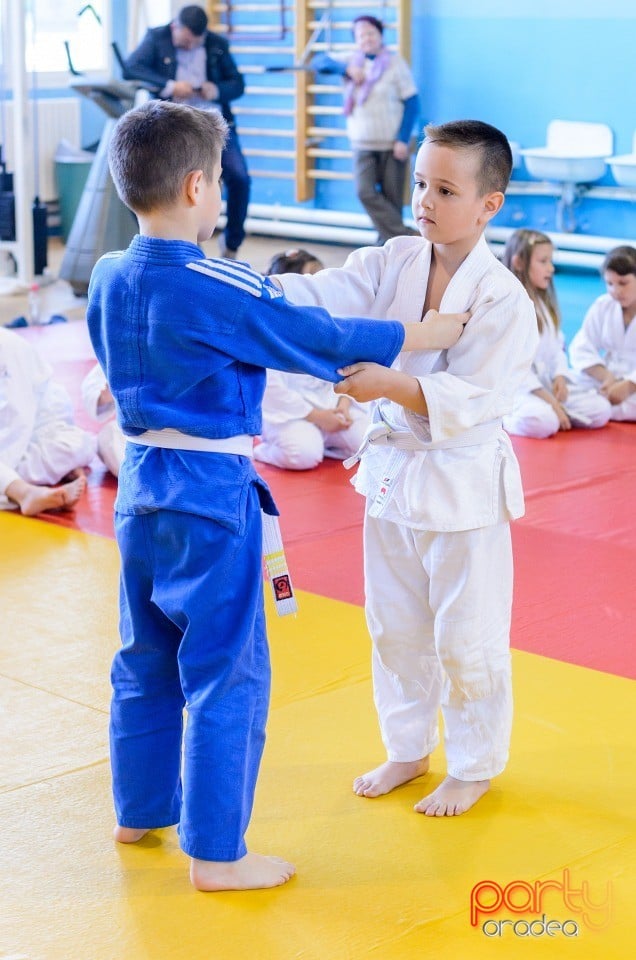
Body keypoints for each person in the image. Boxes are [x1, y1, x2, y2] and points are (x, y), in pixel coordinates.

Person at [86, 99, 469, 892]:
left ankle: (139, 808)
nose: (223, 197)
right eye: (219, 184)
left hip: (140, 488)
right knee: (227, 668)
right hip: (208, 493)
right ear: (197, 186)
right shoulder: (212, 278)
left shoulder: (109, 272)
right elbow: (314, 337)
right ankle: (219, 854)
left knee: (144, 654)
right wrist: (418, 336)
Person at [275, 120, 539, 818]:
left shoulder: (502, 298)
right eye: (420, 182)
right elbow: (327, 293)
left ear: (490, 204)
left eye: (445, 189)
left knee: (466, 633)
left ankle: (475, 763)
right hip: (391, 473)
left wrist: (386, 384)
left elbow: (480, 396)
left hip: (460, 485)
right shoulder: (395, 259)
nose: (424, 199)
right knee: (393, 625)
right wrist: (254, 295)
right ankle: (408, 744)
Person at [123, 4, 250, 260]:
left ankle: (232, 243)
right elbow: (130, 68)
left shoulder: (217, 44)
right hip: (170, 124)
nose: (191, 46)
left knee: (239, 177)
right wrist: (169, 85)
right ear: (175, 27)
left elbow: (237, 84)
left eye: (196, 42)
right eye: (186, 41)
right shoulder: (156, 37)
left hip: (213, 122)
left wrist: (217, 89)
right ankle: (189, 252)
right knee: (143, 178)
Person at [255, 249, 371, 470]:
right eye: (311, 280)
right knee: (303, 454)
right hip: (290, 415)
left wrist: (344, 404)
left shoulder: (334, 319)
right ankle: (264, 448)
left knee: (368, 440)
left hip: (333, 407)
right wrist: (316, 416)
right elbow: (272, 390)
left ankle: (324, 442)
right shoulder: (271, 331)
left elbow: (350, 363)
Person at [312, 15, 420, 244]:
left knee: (392, 200)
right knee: (365, 191)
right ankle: (406, 236)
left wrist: (402, 139)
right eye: (361, 35)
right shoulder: (351, 61)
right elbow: (318, 62)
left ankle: (388, 248)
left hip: (392, 144)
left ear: (380, 35)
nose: (367, 38)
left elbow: (412, 103)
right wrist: (347, 69)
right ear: (356, 40)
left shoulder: (395, 62)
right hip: (362, 144)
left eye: (371, 32)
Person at [500, 229, 611, 437]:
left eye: (550, 261)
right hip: (519, 388)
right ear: (519, 263)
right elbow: (515, 367)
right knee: (543, 422)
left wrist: (560, 375)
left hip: (545, 384)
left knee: (601, 409)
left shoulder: (544, 304)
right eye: (543, 261)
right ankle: (506, 419)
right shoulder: (508, 306)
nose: (550, 269)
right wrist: (550, 401)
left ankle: (557, 412)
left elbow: (557, 348)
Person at [0, 326, 95, 515]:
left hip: (34, 431)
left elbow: (19, 419)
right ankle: (22, 490)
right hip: (13, 444)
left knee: (76, 446)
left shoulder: (8, 347)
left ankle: (18, 487)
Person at [569, 244, 636, 421]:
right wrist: (607, 377)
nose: (616, 291)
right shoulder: (603, 305)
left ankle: (598, 409)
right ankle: (601, 406)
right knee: (570, 383)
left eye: (623, 283)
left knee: (595, 402)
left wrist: (629, 385)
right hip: (607, 378)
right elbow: (581, 347)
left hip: (633, 385)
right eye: (610, 283)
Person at [81, 364, 126, 477]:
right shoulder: (128, 350)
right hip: (138, 433)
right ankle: (137, 481)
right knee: (108, 435)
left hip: (175, 432)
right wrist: (103, 397)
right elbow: (93, 386)